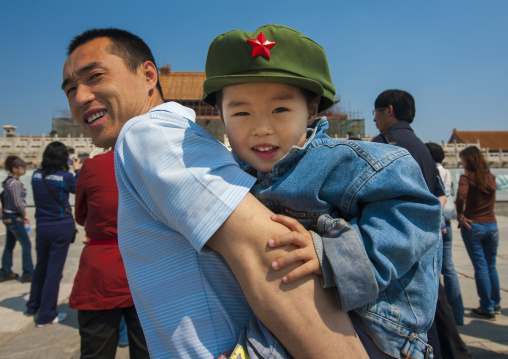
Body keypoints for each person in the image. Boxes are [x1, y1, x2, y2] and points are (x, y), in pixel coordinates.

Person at [62, 27, 368, 359]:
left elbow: (267, 251)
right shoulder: (178, 136)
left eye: (94, 76)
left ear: (148, 75)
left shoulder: (147, 135)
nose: (80, 98)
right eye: (70, 89)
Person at [203, 24, 442, 358]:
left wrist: (331, 253)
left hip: (374, 331)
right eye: (241, 113)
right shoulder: (232, 175)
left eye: (280, 110)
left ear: (312, 109)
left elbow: (416, 214)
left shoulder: (348, 163)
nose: (260, 128)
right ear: (221, 117)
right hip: (287, 325)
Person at [372, 90, 469, 359]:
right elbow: (439, 193)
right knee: (432, 300)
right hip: (429, 237)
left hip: (398, 241)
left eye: (376, 113)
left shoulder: (384, 143)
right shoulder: (422, 148)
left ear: (389, 110)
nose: (375, 120)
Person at [70, 148, 149, 359]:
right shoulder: (152, 163)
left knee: (96, 349)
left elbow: (80, 215)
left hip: (101, 270)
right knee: (148, 349)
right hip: (146, 266)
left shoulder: (93, 166)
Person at [26, 141, 80, 327]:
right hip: (60, 226)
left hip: (42, 226)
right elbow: (80, 188)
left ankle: (33, 305)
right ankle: (47, 314)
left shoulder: (35, 175)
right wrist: (77, 170)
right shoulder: (64, 177)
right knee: (54, 271)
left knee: (40, 266)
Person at [456, 146, 501, 320]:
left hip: (473, 225)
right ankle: (496, 302)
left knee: (480, 267)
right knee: (491, 266)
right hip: (492, 224)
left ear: (468, 160)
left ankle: (486, 307)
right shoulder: (490, 178)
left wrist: (460, 214)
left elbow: (460, 196)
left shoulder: (466, 178)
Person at [426, 142, 464, 325]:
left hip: (437, 222)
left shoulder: (431, 169)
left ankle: (441, 312)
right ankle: (458, 312)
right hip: (446, 220)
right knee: (448, 268)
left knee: (434, 271)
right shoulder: (447, 172)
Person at [0, 156, 33, 283]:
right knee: (26, 244)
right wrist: (24, 214)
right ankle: (28, 272)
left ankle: (5, 270)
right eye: (22, 167)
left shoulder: (8, 182)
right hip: (14, 216)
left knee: (9, 244)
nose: (24, 169)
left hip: (9, 216)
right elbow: (17, 202)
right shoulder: (15, 183)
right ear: (14, 169)